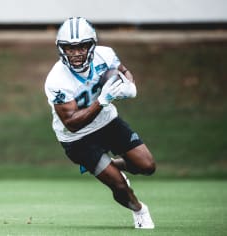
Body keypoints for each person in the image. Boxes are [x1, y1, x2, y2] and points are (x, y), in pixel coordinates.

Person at [44, 17, 156, 229]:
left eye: (82, 46)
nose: (76, 53)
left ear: (92, 45)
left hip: (107, 123)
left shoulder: (105, 55)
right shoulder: (56, 80)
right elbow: (72, 123)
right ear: (61, 49)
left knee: (147, 166)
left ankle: (111, 165)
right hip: (77, 138)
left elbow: (122, 71)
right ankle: (140, 210)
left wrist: (129, 85)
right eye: (69, 48)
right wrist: (102, 100)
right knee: (119, 185)